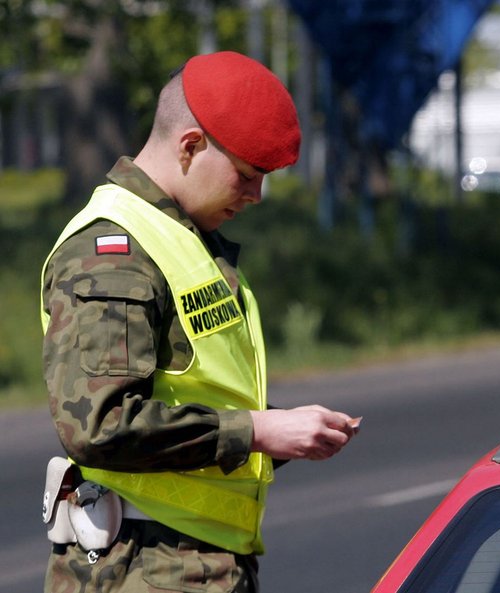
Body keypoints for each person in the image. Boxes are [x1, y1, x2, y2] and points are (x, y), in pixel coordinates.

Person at [40, 50, 357, 592]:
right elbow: (99, 425)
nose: (256, 196)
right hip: (141, 565)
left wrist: (277, 435)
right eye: (247, 174)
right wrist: (258, 430)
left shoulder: (183, 239)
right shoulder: (114, 253)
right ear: (190, 146)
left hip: (181, 565)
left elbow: (190, 390)